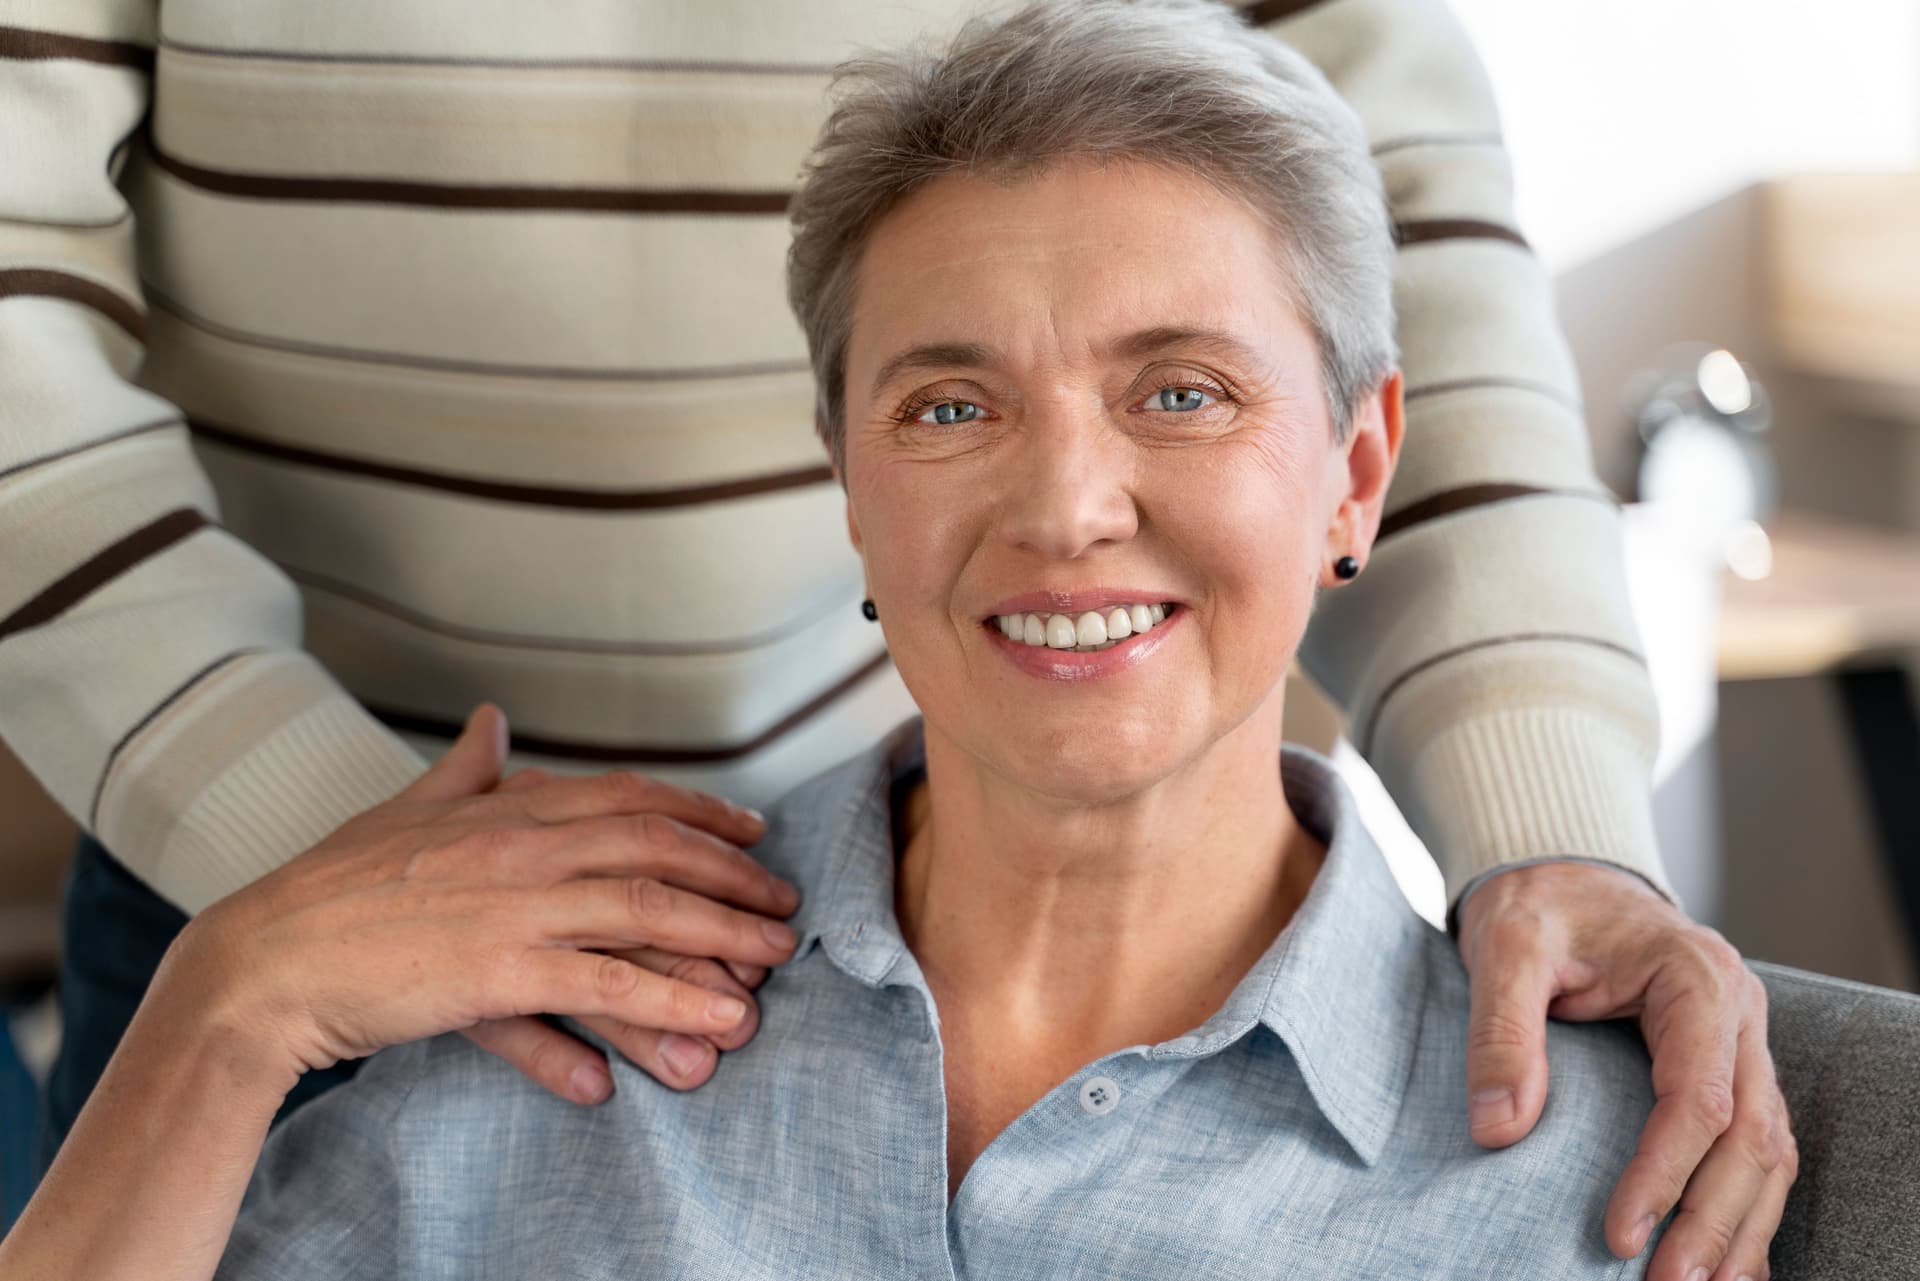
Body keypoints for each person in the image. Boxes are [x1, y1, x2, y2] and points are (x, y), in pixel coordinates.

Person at [0, 4, 1794, 1276]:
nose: (1070, 500)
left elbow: (1408, 264)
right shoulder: (413, 1142)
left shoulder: (1571, 1189)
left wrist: (1551, 822)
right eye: (950, 409)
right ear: (849, 467)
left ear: (1358, 470)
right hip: (287, 854)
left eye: (1174, 390)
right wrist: (286, 931)